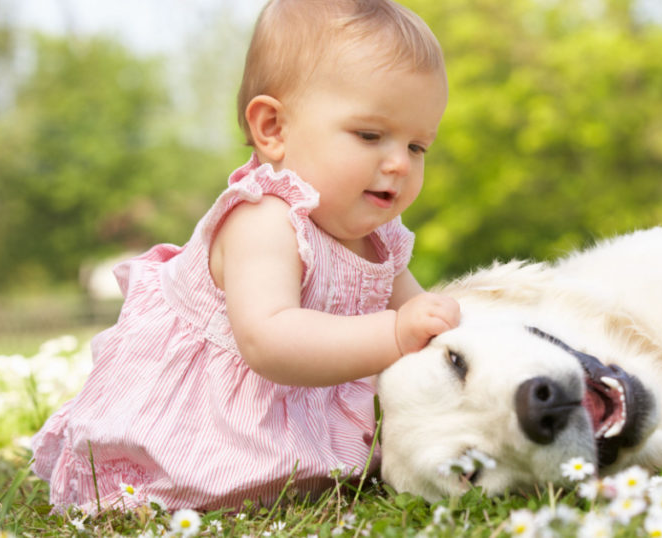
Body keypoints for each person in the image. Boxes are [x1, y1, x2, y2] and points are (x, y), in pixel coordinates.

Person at [30, 0, 460, 512]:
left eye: (418, 147)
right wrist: (394, 333)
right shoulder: (264, 218)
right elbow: (270, 339)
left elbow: (425, 322)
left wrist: (447, 332)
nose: (398, 163)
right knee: (177, 487)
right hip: (204, 422)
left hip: (291, 416)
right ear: (273, 129)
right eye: (370, 135)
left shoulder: (381, 238)